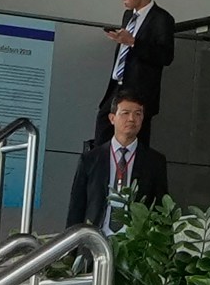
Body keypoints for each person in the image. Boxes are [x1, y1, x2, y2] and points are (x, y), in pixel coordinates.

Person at [64, 93, 170, 232]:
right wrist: (70, 250)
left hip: (135, 244)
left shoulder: (154, 161)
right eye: (125, 113)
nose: (132, 119)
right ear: (112, 118)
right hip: (96, 241)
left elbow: (162, 209)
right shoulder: (90, 159)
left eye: (138, 114)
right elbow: (76, 209)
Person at [95, 0, 174, 146]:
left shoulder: (162, 19)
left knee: (134, 142)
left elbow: (166, 56)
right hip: (117, 86)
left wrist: (133, 42)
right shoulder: (128, 15)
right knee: (103, 132)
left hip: (139, 91)